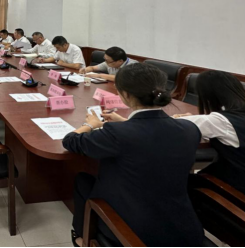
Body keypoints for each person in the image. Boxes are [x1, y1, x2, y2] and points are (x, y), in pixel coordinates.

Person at [63, 63, 203, 247]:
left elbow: (70, 141)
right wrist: (124, 122)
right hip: (184, 226)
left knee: (83, 180)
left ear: (125, 95)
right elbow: (151, 135)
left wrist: (90, 124)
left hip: (133, 228)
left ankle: (83, 239)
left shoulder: (117, 134)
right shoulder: (190, 129)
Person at [173, 71, 245, 211]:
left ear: (208, 95)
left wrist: (184, 117)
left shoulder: (221, 121)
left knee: (180, 182)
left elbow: (168, 125)